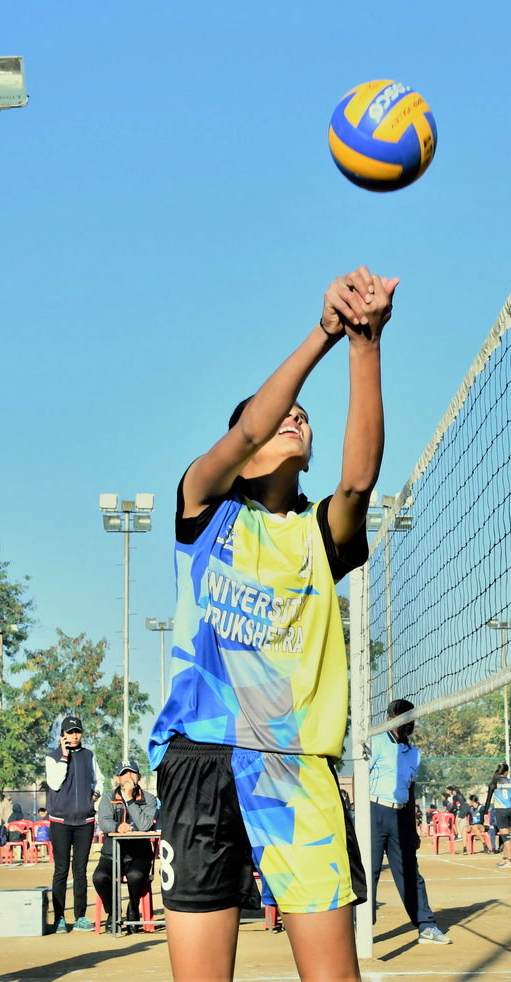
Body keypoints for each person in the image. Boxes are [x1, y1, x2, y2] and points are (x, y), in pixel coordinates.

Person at [147, 267, 394, 982]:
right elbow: (256, 421)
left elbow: (358, 481)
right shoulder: (204, 507)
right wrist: (324, 331)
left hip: (295, 764)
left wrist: (365, 344)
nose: (295, 419)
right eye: (283, 413)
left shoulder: (321, 531)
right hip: (201, 757)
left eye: (304, 419)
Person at [367, 698, 450, 944]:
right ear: (390, 719)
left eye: (411, 719)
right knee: (370, 872)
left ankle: (426, 926)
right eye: (404, 718)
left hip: (401, 815)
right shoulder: (376, 742)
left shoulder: (414, 753)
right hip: (374, 811)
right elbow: (361, 780)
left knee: (410, 872)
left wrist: (412, 827)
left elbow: (410, 790)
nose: (409, 723)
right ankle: (362, 928)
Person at [45, 714, 103, 932]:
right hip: (60, 821)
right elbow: (55, 783)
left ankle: (80, 917)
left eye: (77, 731)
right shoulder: (52, 757)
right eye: (70, 732)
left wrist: (93, 797)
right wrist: (64, 755)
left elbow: (99, 780)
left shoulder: (88, 755)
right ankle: (59, 918)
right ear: (63, 735)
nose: (74, 736)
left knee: (80, 870)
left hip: (85, 821)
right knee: (61, 870)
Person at [92, 761, 158, 933]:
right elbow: (104, 821)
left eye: (132, 772)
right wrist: (116, 827)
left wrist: (129, 799)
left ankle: (133, 909)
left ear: (139, 777)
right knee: (99, 877)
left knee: (136, 876)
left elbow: (145, 825)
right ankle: (113, 912)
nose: (129, 776)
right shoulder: (108, 798)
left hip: (139, 855)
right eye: (124, 773)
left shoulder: (150, 799)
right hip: (112, 854)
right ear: (117, 779)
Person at [489, 762, 511, 868]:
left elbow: (488, 799)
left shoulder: (494, 782)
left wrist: (485, 813)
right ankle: (505, 858)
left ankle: (510, 860)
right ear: (506, 772)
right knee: (509, 836)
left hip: (501, 811)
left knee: (505, 837)